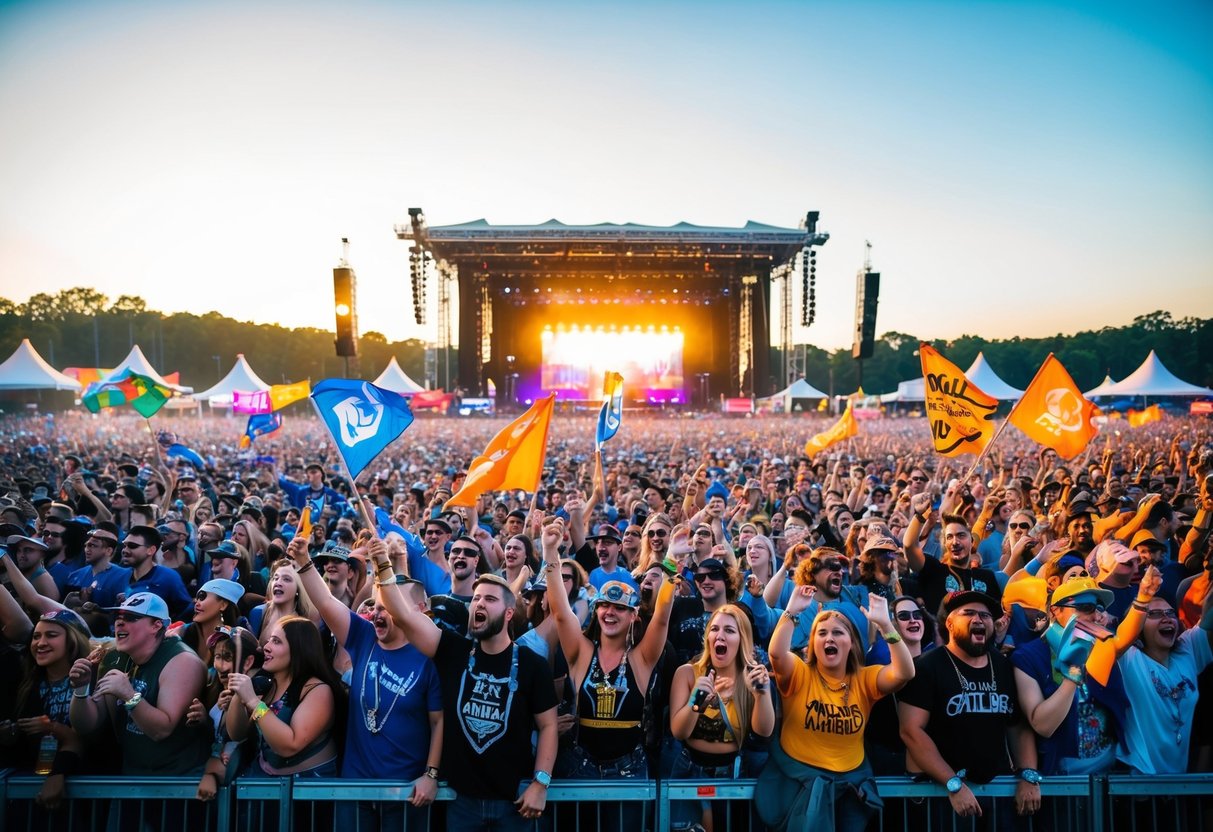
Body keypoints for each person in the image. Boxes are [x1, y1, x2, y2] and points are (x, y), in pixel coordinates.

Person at [371, 537, 558, 830]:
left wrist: (541, 783)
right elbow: (404, 615)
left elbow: (548, 726)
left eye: (490, 599)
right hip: (461, 803)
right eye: (477, 599)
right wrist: (382, 564)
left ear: (509, 614)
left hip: (514, 804)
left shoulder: (532, 665)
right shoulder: (452, 650)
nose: (479, 604)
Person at [289, 535, 443, 830]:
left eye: (389, 607)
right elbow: (324, 600)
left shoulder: (428, 657)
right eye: (377, 606)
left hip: (406, 791)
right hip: (355, 788)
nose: (378, 613)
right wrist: (303, 562)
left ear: (416, 611)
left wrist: (430, 775)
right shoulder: (364, 635)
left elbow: (439, 722)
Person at [540, 517, 673, 821]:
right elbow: (561, 614)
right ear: (596, 609)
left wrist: (672, 563)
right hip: (580, 766)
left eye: (620, 608)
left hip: (629, 770)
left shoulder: (641, 658)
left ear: (633, 616)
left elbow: (662, 618)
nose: (610, 612)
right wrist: (550, 554)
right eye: (604, 606)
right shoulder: (582, 652)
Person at [756, 586, 914, 832]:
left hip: (850, 783)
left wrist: (885, 625)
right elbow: (776, 654)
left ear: (851, 643)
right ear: (813, 642)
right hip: (800, 783)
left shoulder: (864, 679)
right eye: (822, 633)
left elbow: (905, 672)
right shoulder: (799, 672)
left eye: (838, 633)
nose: (829, 638)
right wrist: (790, 612)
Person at [898, 591, 1042, 829]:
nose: (979, 619)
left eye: (985, 615)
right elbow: (911, 731)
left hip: (994, 789)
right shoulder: (926, 666)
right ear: (950, 623)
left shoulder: (1004, 666)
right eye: (969, 613)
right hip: (942, 792)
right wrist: (952, 784)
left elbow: (1017, 725)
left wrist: (1029, 775)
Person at [68, 592, 210, 775]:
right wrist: (80, 689)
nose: (119, 622)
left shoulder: (182, 661)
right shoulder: (114, 657)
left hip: (177, 782)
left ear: (156, 625)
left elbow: (161, 730)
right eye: (118, 617)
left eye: (130, 618)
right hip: (131, 778)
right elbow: (87, 725)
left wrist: (129, 695)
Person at [669, 604, 775, 831]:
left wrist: (761, 694)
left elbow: (763, 733)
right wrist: (697, 701)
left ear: (742, 639)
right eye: (715, 629)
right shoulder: (687, 673)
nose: (720, 635)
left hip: (734, 775)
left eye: (729, 630)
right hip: (690, 771)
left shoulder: (752, 677)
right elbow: (678, 731)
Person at [225, 616, 342, 778]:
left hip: (306, 796)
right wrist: (240, 696)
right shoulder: (267, 686)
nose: (266, 647)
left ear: (298, 648)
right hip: (265, 794)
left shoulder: (318, 690)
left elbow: (290, 745)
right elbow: (237, 734)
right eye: (268, 641)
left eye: (276, 642)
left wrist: (253, 702)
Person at [2, 609, 92, 810]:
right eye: (36, 636)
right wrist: (11, 734)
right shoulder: (25, 685)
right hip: (31, 790)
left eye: (51, 635)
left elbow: (89, 739)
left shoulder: (90, 682)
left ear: (72, 641)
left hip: (82, 791)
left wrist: (51, 728)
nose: (40, 643)